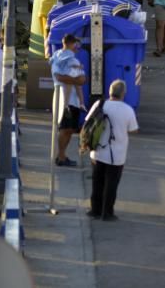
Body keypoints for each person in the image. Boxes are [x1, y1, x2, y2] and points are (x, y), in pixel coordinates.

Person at [86, 80, 139, 221]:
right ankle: (107, 212)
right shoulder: (128, 110)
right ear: (123, 93)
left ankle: (95, 210)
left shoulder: (100, 104)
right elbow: (133, 129)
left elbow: (88, 122)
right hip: (117, 155)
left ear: (110, 92)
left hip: (97, 152)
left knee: (97, 181)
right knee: (111, 184)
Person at [50, 34, 86, 167]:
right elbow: (63, 78)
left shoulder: (58, 56)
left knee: (69, 128)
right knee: (65, 128)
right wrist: (78, 78)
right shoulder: (70, 59)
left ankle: (62, 155)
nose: (78, 48)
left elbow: (79, 81)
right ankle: (61, 156)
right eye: (77, 45)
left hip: (68, 99)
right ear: (72, 44)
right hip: (67, 100)